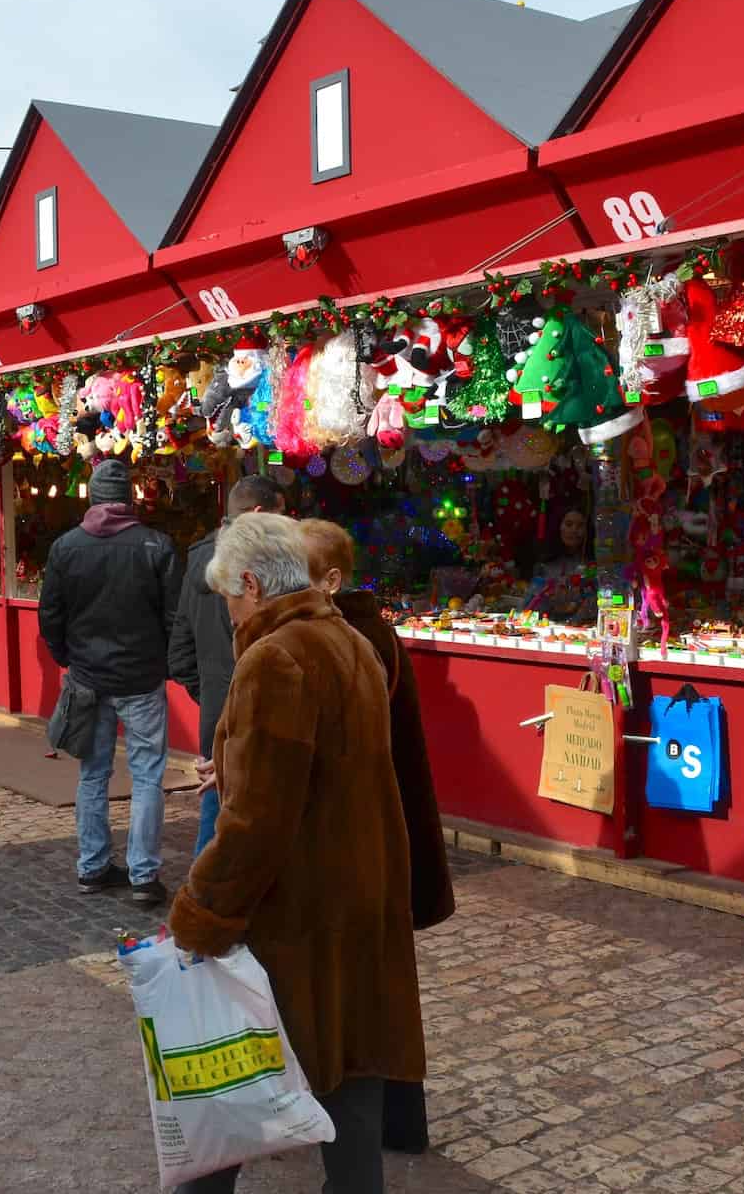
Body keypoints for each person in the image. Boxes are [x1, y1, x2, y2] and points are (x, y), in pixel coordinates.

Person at [168, 514, 422, 1194]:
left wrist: (200, 914)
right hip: (359, 901)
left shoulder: (275, 659)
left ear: (251, 585)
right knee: (350, 1085)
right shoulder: (348, 641)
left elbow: (255, 824)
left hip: (299, 919)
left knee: (232, 1079)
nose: (226, 609)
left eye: (227, 594)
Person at [297, 518, 454, 1156]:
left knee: (365, 988)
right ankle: (393, 1122)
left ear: (332, 580)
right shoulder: (358, 632)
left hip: (367, 833)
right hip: (379, 831)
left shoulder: (352, 638)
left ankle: (369, 1129)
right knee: (380, 985)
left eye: (296, 574)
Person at [37, 459, 180, 907]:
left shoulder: (66, 547)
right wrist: (165, 663)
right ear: (129, 498)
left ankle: (93, 867)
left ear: (94, 498)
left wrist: (68, 658)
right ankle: (142, 875)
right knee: (147, 776)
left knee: (93, 774)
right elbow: (174, 617)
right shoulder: (156, 545)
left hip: (88, 677)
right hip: (139, 677)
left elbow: (50, 615)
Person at [167, 474, 283, 858]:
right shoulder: (273, 563)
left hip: (218, 711)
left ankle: (206, 903)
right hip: (262, 712)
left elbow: (180, 651)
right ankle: (211, 905)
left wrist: (215, 694)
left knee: (216, 814)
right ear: (260, 513)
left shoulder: (198, 556)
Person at [532, 508, 593, 580]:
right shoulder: (544, 564)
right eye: (568, 524)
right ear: (559, 527)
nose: (574, 530)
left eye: (580, 525)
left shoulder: (592, 563)